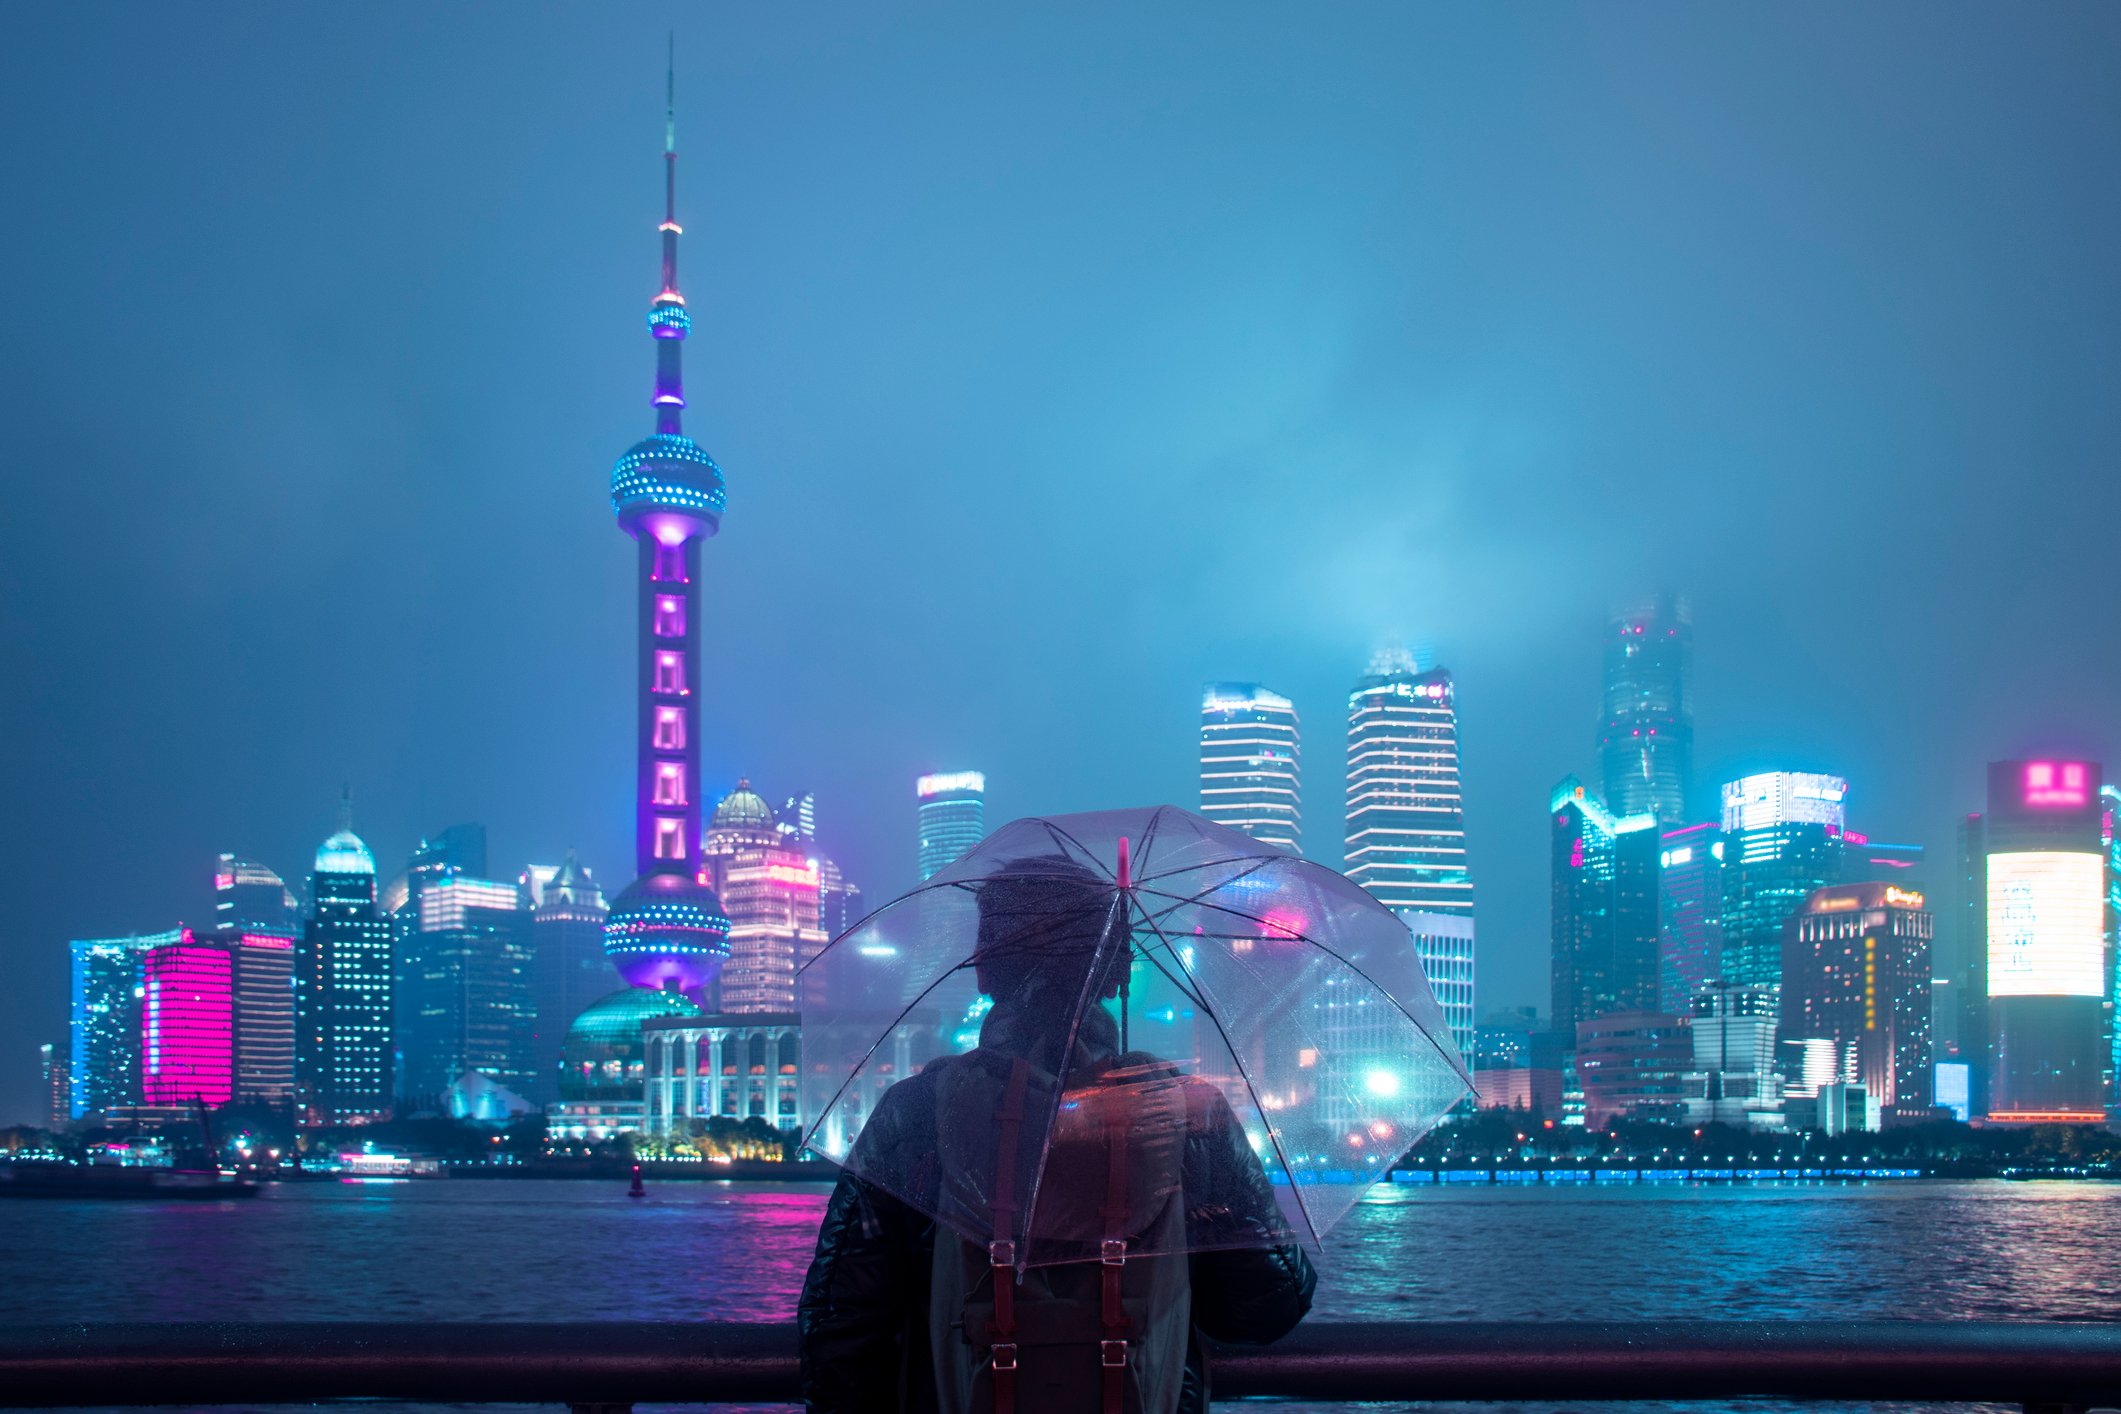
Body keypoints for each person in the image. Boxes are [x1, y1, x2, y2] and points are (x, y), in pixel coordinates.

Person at [799, 858, 1316, 1414]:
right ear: (1117, 971)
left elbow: (839, 1321)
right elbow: (1267, 1307)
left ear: (984, 970)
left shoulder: (917, 1110)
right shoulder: (1188, 1113)